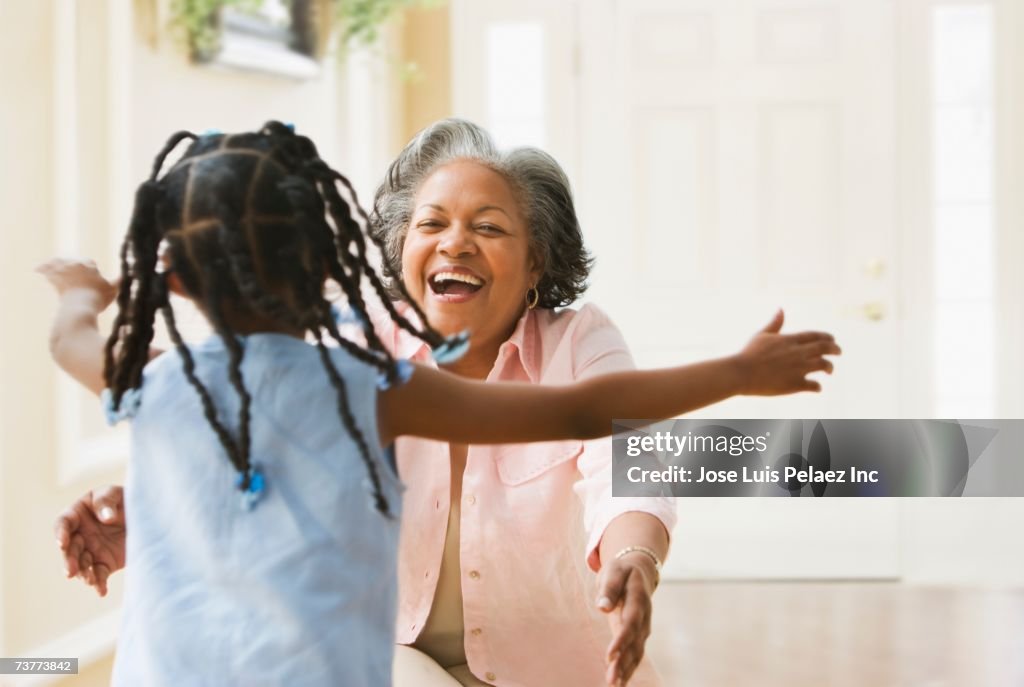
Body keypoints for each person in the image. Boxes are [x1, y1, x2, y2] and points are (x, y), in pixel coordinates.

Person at [44, 120, 841, 686]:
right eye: (433, 223)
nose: (456, 241)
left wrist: (635, 558)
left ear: (537, 264)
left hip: (553, 665)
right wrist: (154, 508)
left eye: (488, 227)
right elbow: (255, 445)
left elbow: (618, 450)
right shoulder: (357, 359)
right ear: (391, 251)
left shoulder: (575, 338)